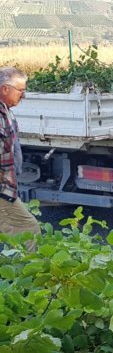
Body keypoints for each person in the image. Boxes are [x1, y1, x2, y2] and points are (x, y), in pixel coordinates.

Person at [0, 67, 40, 251]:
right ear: (5, 89)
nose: (23, 95)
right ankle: (28, 267)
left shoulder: (6, 111)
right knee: (28, 229)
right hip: (2, 189)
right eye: (20, 91)